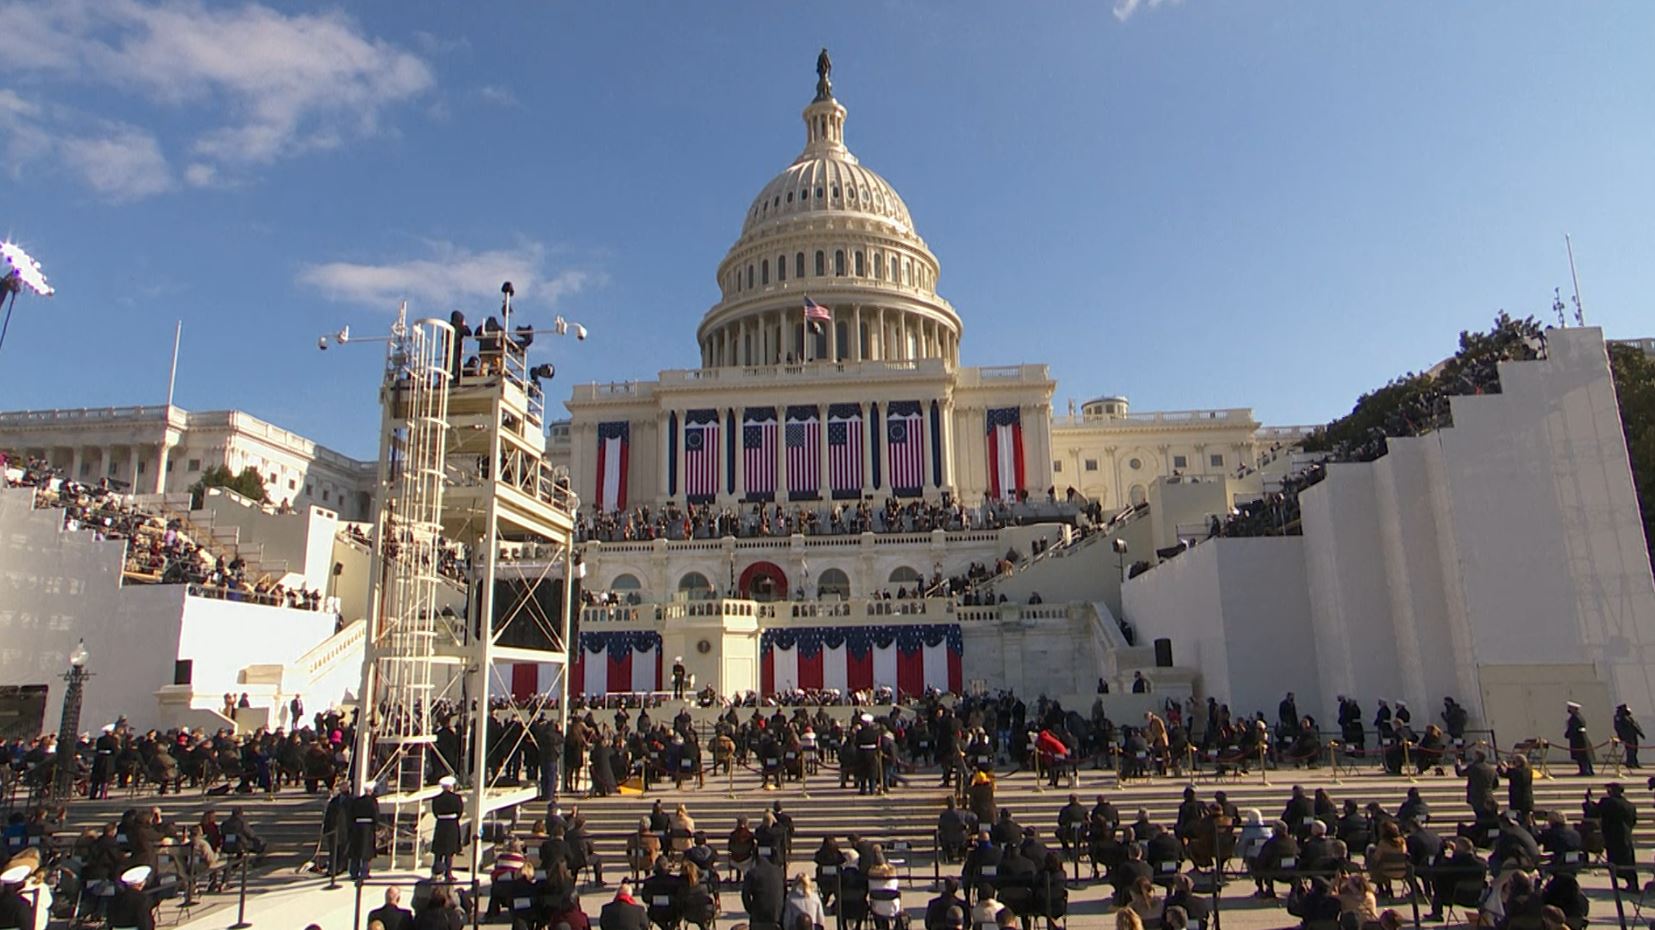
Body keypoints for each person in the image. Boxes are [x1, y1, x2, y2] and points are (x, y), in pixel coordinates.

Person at [1585, 782, 1639, 892]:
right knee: (1628, 861)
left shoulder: (1608, 802)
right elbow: (1633, 821)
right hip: (1627, 836)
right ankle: (1633, 884)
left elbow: (1594, 812)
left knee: (1615, 862)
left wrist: (1588, 801)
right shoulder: (1630, 805)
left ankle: (1624, 885)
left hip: (1613, 837)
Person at [430, 776, 463, 880]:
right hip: (452, 824)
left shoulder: (436, 799)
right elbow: (459, 811)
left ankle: (436, 872)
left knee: (438, 851)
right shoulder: (456, 798)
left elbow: (435, 813)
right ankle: (448, 873)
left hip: (440, 824)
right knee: (450, 851)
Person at [742, 849, 786, 927]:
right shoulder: (779, 872)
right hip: (777, 917)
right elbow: (784, 893)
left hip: (758, 917)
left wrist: (752, 910)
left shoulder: (752, 873)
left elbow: (745, 895)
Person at [349, 780, 381, 881]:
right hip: (368, 828)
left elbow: (352, 814)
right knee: (366, 852)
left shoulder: (357, 801)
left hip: (357, 827)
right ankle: (364, 872)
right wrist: (376, 825)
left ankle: (354, 872)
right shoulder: (373, 801)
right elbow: (375, 815)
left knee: (356, 851)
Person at [107, 866, 154, 930]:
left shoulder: (116, 897)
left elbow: (109, 919)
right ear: (140, 884)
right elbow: (144, 921)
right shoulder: (142, 898)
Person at [1565, 702, 1594, 776]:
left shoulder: (1576, 717)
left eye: (1570, 708)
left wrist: (1568, 734)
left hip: (1579, 739)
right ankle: (1586, 770)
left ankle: (1585, 771)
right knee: (1582, 756)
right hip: (1579, 738)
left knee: (1582, 756)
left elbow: (1574, 728)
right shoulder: (1576, 717)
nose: (1568, 709)